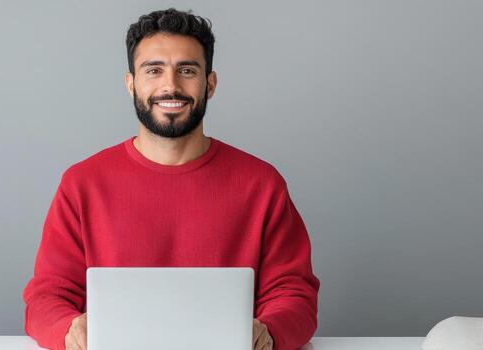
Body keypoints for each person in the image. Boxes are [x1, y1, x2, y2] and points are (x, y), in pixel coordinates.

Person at [22, 8, 320, 350]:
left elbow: (294, 293)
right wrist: (69, 329)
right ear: (131, 84)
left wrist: (268, 330)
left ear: (210, 84)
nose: (170, 86)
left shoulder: (262, 184)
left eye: (187, 70)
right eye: (154, 70)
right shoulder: (81, 183)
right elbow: (46, 296)